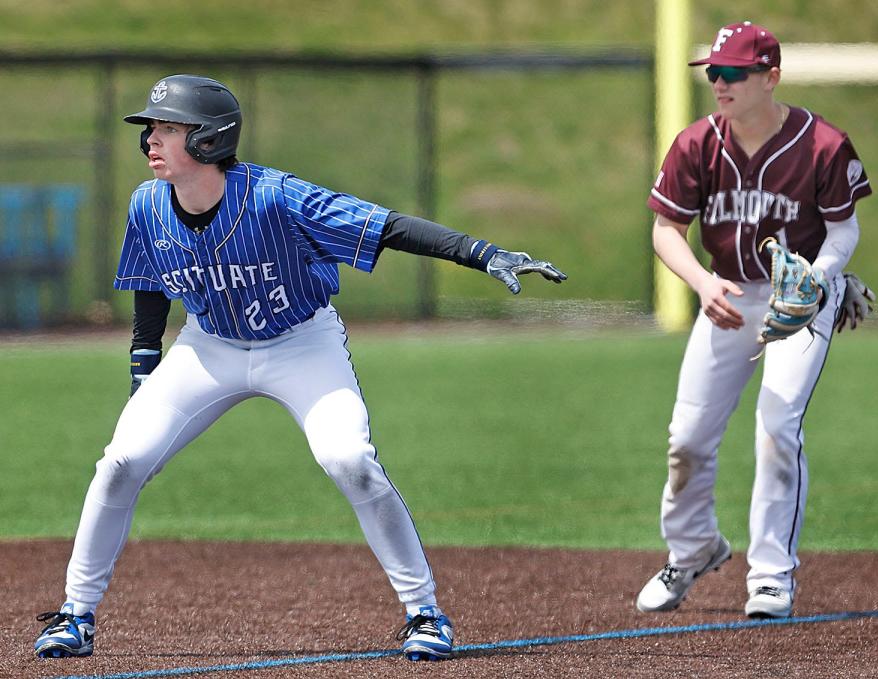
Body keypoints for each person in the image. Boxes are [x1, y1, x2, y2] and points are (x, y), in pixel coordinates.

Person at [33, 74, 566, 661]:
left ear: (209, 140)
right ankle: (75, 615)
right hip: (208, 348)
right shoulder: (147, 203)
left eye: (167, 128)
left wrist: (483, 253)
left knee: (350, 460)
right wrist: (144, 374)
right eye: (151, 130)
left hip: (301, 345)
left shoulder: (276, 197)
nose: (151, 140)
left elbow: (384, 227)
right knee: (122, 461)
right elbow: (150, 292)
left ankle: (425, 613)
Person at [635, 21, 871, 619]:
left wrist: (820, 279)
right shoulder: (696, 144)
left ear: (771, 77)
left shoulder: (821, 144)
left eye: (734, 72)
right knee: (686, 440)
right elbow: (666, 230)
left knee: (776, 429)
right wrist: (701, 281)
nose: (720, 82)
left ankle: (770, 575)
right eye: (714, 71)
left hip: (799, 301)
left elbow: (843, 229)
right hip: (726, 296)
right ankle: (693, 550)